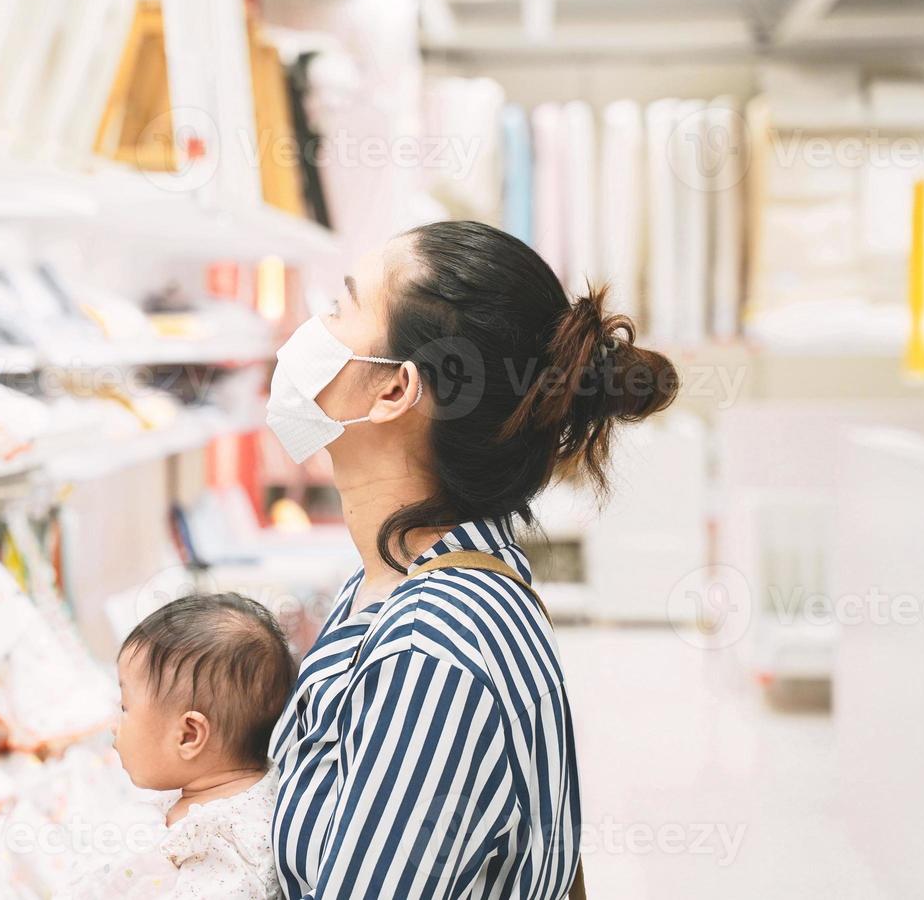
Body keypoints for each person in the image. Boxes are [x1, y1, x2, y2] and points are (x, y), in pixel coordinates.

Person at [266, 220, 679, 899]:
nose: (313, 327)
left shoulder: (430, 655)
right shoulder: (408, 581)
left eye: (341, 307)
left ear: (394, 390)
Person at [63, 593, 297, 899]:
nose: (114, 724)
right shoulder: (214, 793)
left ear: (188, 735)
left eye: (125, 707)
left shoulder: (225, 845)